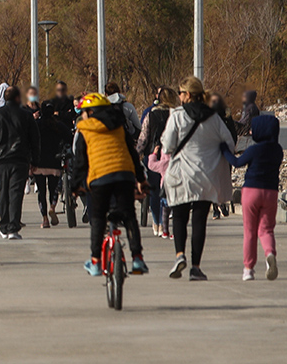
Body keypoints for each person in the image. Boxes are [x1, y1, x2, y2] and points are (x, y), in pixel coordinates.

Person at [158, 76, 236, 281]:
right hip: (206, 177)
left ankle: (179, 255)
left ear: (188, 95)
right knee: (200, 221)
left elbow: (167, 146)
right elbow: (229, 143)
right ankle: (196, 267)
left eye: (180, 92)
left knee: (180, 217)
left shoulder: (177, 115)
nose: (179, 96)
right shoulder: (214, 118)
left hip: (181, 175)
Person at [70, 92, 149, 277]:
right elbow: (132, 154)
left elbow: (80, 162)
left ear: (90, 112)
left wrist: (75, 187)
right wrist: (141, 179)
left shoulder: (85, 129)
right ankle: (137, 258)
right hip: (125, 176)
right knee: (129, 216)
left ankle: (96, 262)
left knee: (97, 218)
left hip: (100, 178)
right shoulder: (120, 126)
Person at [220, 114, 282, 281]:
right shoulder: (278, 151)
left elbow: (237, 162)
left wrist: (224, 149)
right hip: (271, 192)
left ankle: (248, 269)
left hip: (251, 191)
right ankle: (270, 255)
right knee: (266, 229)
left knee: (249, 231)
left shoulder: (254, 149)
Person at [0, 85, 38, 239]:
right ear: (18, 98)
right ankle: (13, 227)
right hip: (20, 160)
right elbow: (34, 140)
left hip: (0, 161)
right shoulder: (26, 116)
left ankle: (4, 225)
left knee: (3, 192)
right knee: (15, 193)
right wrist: (34, 161)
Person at [137, 87, 177, 239]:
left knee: (154, 190)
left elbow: (144, 136)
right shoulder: (176, 114)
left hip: (153, 154)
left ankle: (157, 222)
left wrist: (137, 152)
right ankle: (165, 222)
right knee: (169, 189)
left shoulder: (151, 114)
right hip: (172, 155)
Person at [33, 102, 72, 228]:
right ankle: (52, 207)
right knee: (53, 188)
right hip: (54, 162)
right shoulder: (58, 125)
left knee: (41, 191)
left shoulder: (37, 125)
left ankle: (44, 219)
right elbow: (69, 138)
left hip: (38, 162)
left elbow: (30, 140)